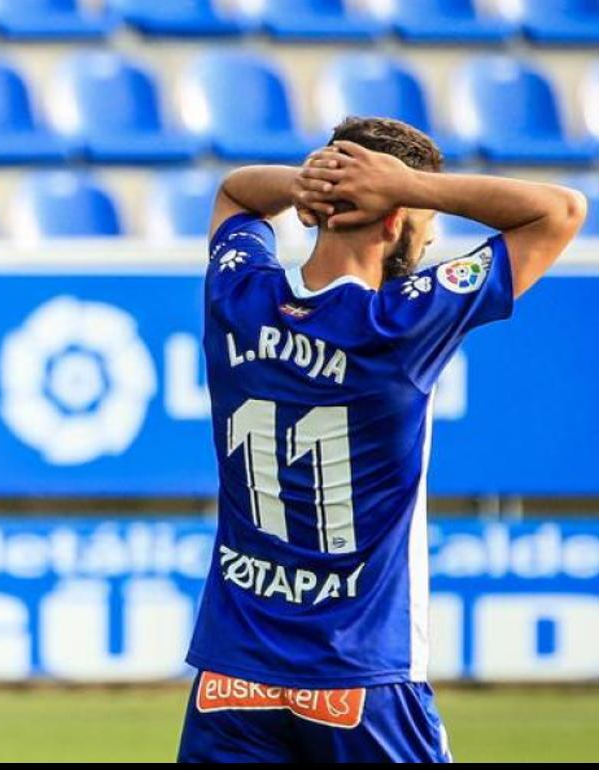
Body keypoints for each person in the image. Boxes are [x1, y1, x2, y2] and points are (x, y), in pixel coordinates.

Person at [179, 116, 586, 763]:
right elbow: (560, 210)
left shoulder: (237, 294)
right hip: (363, 674)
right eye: (422, 222)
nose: (426, 245)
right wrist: (413, 187)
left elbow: (236, 192)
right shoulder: (398, 324)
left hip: (233, 678)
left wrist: (310, 183)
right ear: (396, 218)